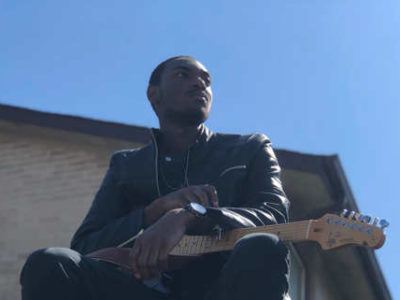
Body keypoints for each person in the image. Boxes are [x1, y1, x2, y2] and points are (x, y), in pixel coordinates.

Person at [19, 56, 290, 300]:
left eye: (206, 80)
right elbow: (86, 246)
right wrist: (153, 213)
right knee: (50, 263)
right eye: (183, 75)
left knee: (264, 245)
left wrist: (191, 215)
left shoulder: (249, 148)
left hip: (224, 288)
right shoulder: (126, 165)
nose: (200, 84)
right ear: (154, 95)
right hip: (138, 290)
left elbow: (275, 216)